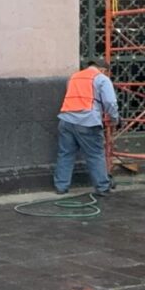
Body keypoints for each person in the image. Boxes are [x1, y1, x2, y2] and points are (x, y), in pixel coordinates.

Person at [54, 59, 120, 196]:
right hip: (87, 121)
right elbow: (110, 102)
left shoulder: (73, 77)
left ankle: (61, 186)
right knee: (95, 155)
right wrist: (114, 118)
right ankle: (102, 187)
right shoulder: (101, 79)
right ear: (103, 70)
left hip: (66, 119)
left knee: (65, 154)